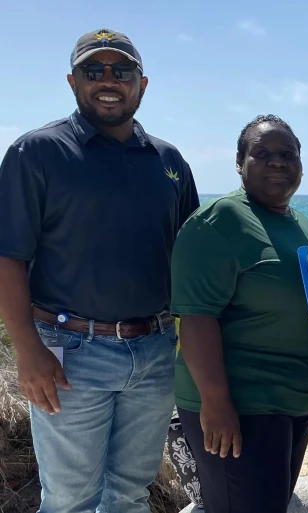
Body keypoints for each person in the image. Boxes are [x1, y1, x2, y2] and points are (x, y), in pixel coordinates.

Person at [0, 29, 199, 512]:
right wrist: (27, 350)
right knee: (69, 500)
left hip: (154, 353)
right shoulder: (38, 152)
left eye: (121, 70)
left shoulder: (169, 161)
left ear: (142, 83)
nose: (107, 80)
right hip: (70, 354)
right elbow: (8, 256)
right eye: (94, 71)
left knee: (129, 495)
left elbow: (192, 259)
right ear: (73, 82)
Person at [170, 114, 308, 512]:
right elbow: (196, 319)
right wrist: (216, 402)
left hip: (295, 404)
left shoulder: (301, 225)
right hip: (242, 406)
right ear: (239, 161)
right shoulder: (220, 221)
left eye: (288, 154)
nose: (277, 162)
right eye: (262, 153)